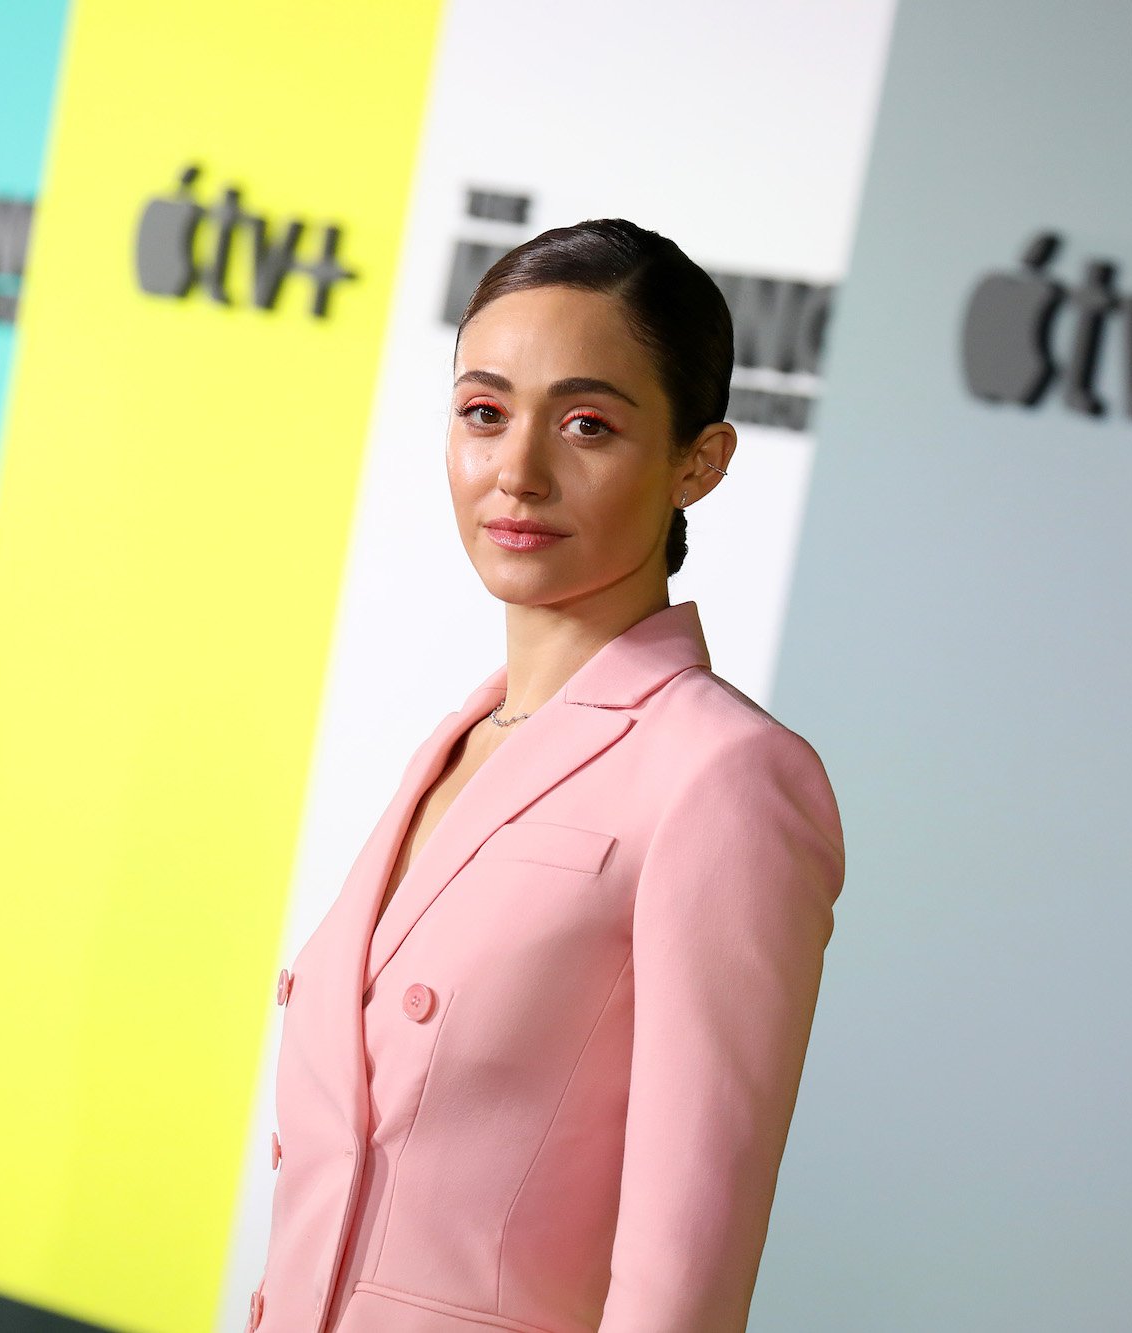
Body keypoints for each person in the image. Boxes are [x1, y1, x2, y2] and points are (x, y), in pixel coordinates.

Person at [248, 219, 847, 1333]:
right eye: (483, 412)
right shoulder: (458, 740)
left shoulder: (723, 777)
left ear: (695, 463)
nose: (515, 472)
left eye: (585, 424)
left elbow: (683, 1274)